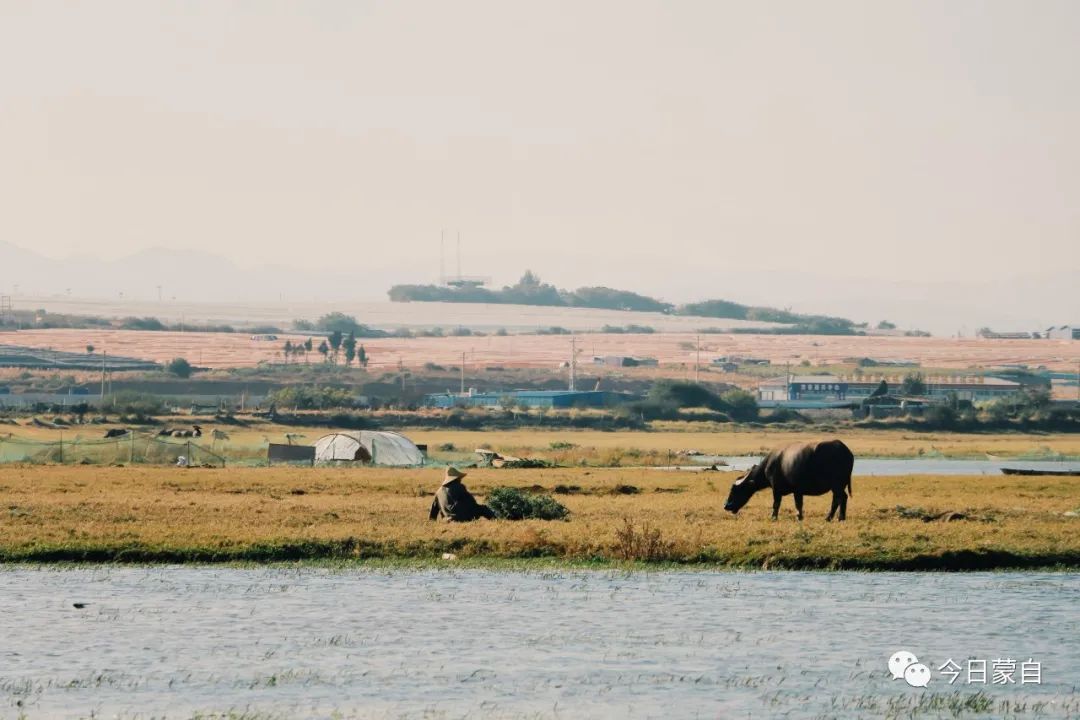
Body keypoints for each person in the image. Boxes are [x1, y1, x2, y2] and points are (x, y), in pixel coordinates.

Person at [429, 467, 495, 522]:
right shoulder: (459, 487)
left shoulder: (438, 492)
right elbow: (471, 502)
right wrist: (477, 509)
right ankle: (496, 520)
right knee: (483, 508)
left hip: (447, 519)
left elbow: (434, 511)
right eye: (459, 478)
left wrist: (431, 522)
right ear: (456, 478)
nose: (460, 479)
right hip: (461, 518)